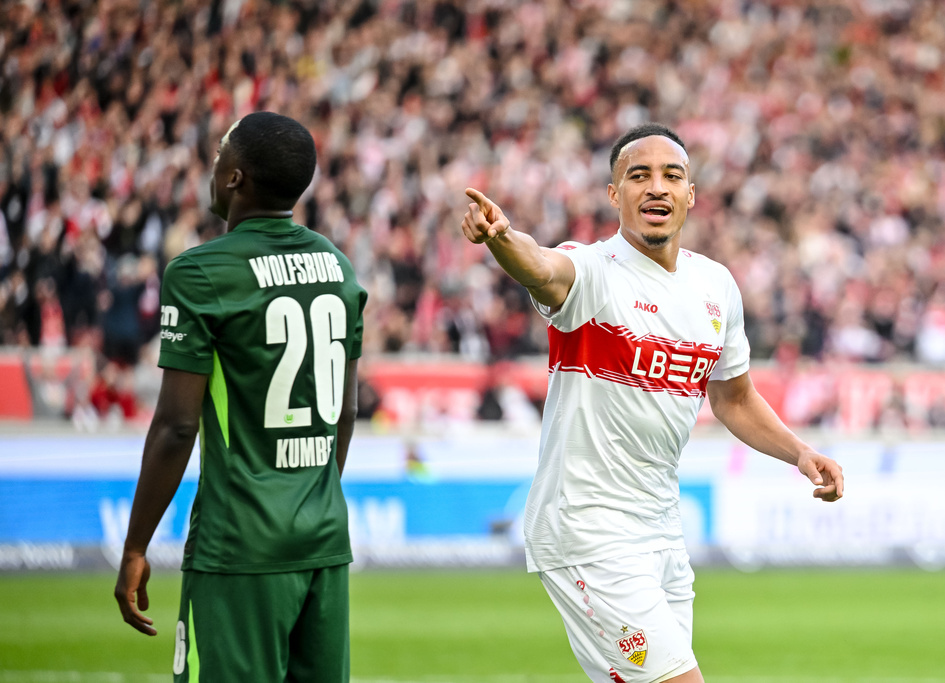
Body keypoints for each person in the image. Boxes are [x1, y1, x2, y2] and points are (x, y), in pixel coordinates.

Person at [461, 122, 844, 683]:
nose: (657, 187)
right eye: (638, 176)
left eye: (672, 176)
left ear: (691, 194)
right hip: (587, 525)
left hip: (660, 529)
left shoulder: (715, 286)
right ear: (615, 195)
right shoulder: (593, 271)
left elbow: (734, 398)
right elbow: (542, 267)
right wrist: (501, 237)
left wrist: (798, 452)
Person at [114, 111, 367, 683]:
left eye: (221, 150)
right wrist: (310, 496)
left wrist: (134, 547)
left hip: (240, 543)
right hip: (323, 536)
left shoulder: (201, 273)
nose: (213, 159)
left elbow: (177, 426)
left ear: (235, 178)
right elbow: (346, 411)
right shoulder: (337, 266)